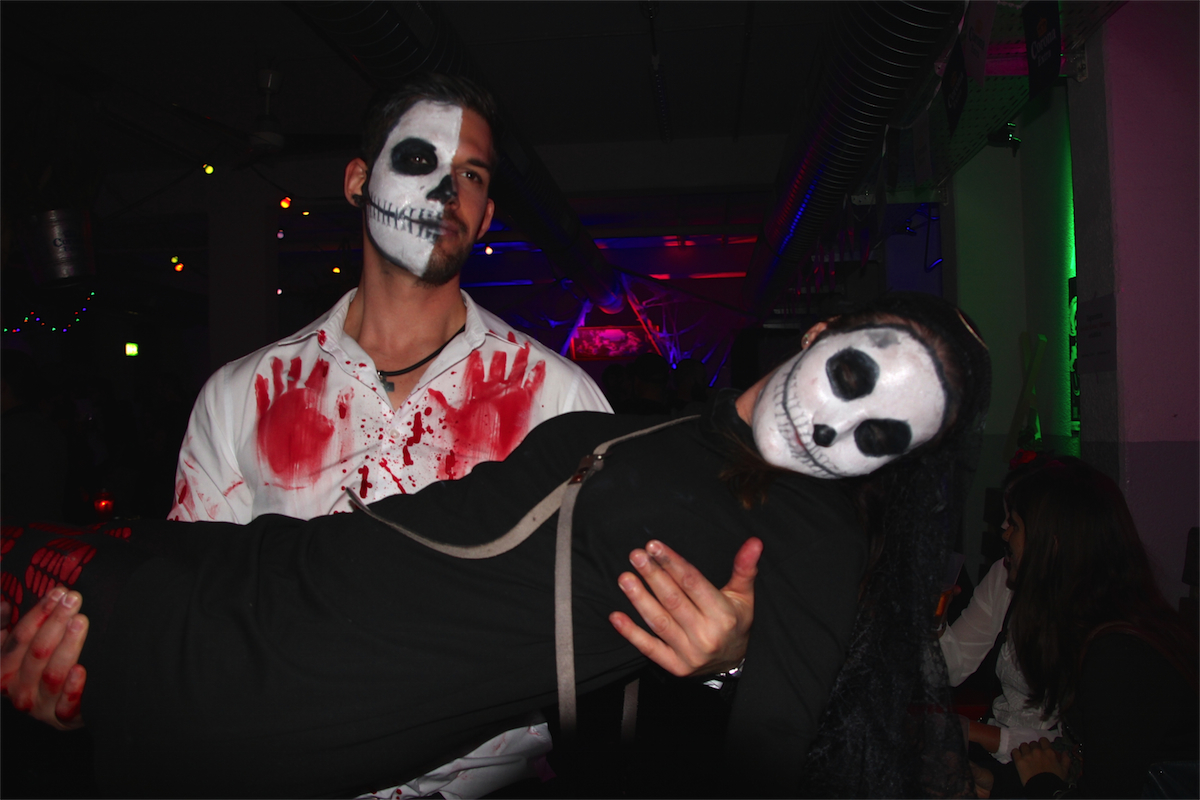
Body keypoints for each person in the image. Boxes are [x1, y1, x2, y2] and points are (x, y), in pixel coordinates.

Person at [0, 73, 755, 800]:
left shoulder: (560, 400)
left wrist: (724, 658)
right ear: (359, 181)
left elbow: (628, 610)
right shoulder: (240, 396)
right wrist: (90, 683)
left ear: (487, 215)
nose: (447, 192)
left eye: (472, 176)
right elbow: (197, 618)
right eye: (420, 159)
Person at [0, 292, 990, 798]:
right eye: (856, 376)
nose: (840, 426)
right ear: (821, 331)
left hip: (298, 675)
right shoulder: (683, 431)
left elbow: (769, 764)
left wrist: (731, 662)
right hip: (270, 566)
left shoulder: (812, 527)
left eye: (882, 436)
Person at [968, 459, 1198, 798]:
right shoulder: (1094, 629)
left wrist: (1035, 783)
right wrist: (998, 784)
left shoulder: (1120, 655)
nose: (1005, 534)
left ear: (1053, 545)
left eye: (1015, 524)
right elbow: (1079, 767)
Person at [940, 455, 1064, 778]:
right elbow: (951, 669)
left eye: (1015, 521)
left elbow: (1074, 747)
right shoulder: (1004, 575)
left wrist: (977, 733)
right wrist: (934, 621)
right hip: (998, 752)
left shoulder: (1085, 605)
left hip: (1046, 772)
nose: (1004, 530)